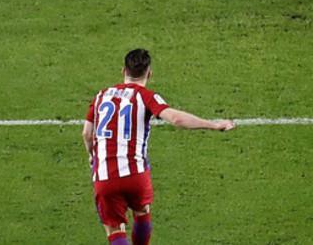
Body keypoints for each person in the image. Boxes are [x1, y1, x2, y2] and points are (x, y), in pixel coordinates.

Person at [83, 49, 235, 245]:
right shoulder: (146, 96)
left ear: (123, 71)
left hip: (105, 177)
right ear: (149, 73)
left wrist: (92, 155)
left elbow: (87, 133)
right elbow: (176, 119)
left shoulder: (100, 96)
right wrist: (214, 125)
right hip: (136, 175)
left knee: (114, 231)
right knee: (142, 212)